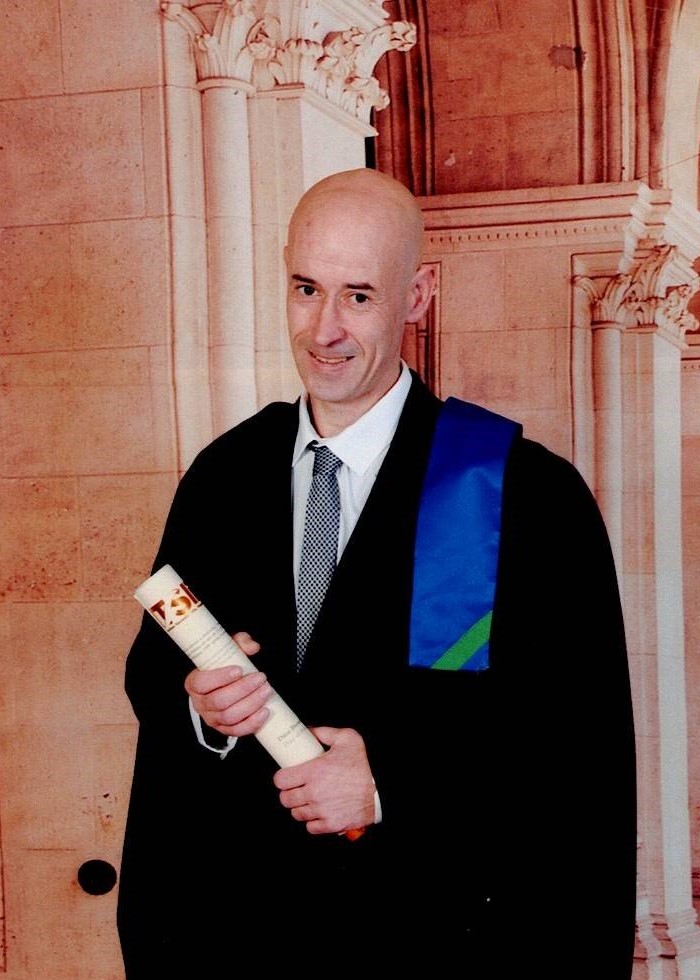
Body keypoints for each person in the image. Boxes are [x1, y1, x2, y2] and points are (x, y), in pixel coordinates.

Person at [117, 168, 637, 976]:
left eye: (358, 296)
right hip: (241, 937)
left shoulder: (516, 490)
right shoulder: (224, 476)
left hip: (428, 937)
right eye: (305, 289)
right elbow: (155, 671)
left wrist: (391, 787)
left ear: (417, 296)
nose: (323, 330)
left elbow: (577, 751)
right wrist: (202, 712)